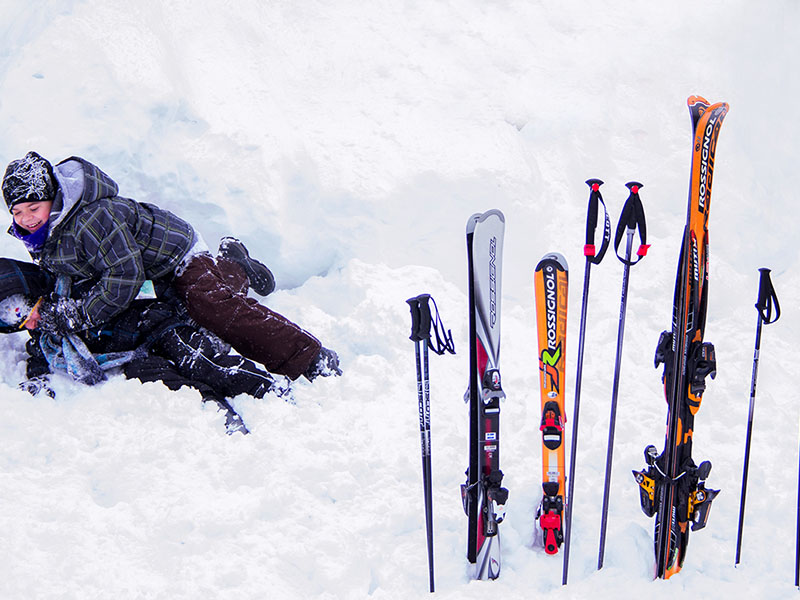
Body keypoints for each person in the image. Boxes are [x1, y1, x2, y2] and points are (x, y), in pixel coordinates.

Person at [2, 151, 340, 382]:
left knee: (211, 308)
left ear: (54, 198)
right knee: (184, 311)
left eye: (34, 207)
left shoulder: (91, 219)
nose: (27, 219)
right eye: (17, 212)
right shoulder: (45, 230)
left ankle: (308, 357)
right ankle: (233, 265)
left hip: (175, 256)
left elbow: (123, 275)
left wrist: (82, 313)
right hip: (145, 268)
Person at [0, 256, 292, 434]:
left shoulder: (76, 282)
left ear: (29, 288)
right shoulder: (45, 329)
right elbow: (41, 353)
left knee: (200, 356)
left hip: (161, 319)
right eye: (9, 321)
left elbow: (129, 290)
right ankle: (215, 413)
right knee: (153, 377)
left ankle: (268, 393)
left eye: (17, 309)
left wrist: (149, 321)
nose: (25, 323)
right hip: (132, 352)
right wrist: (38, 378)